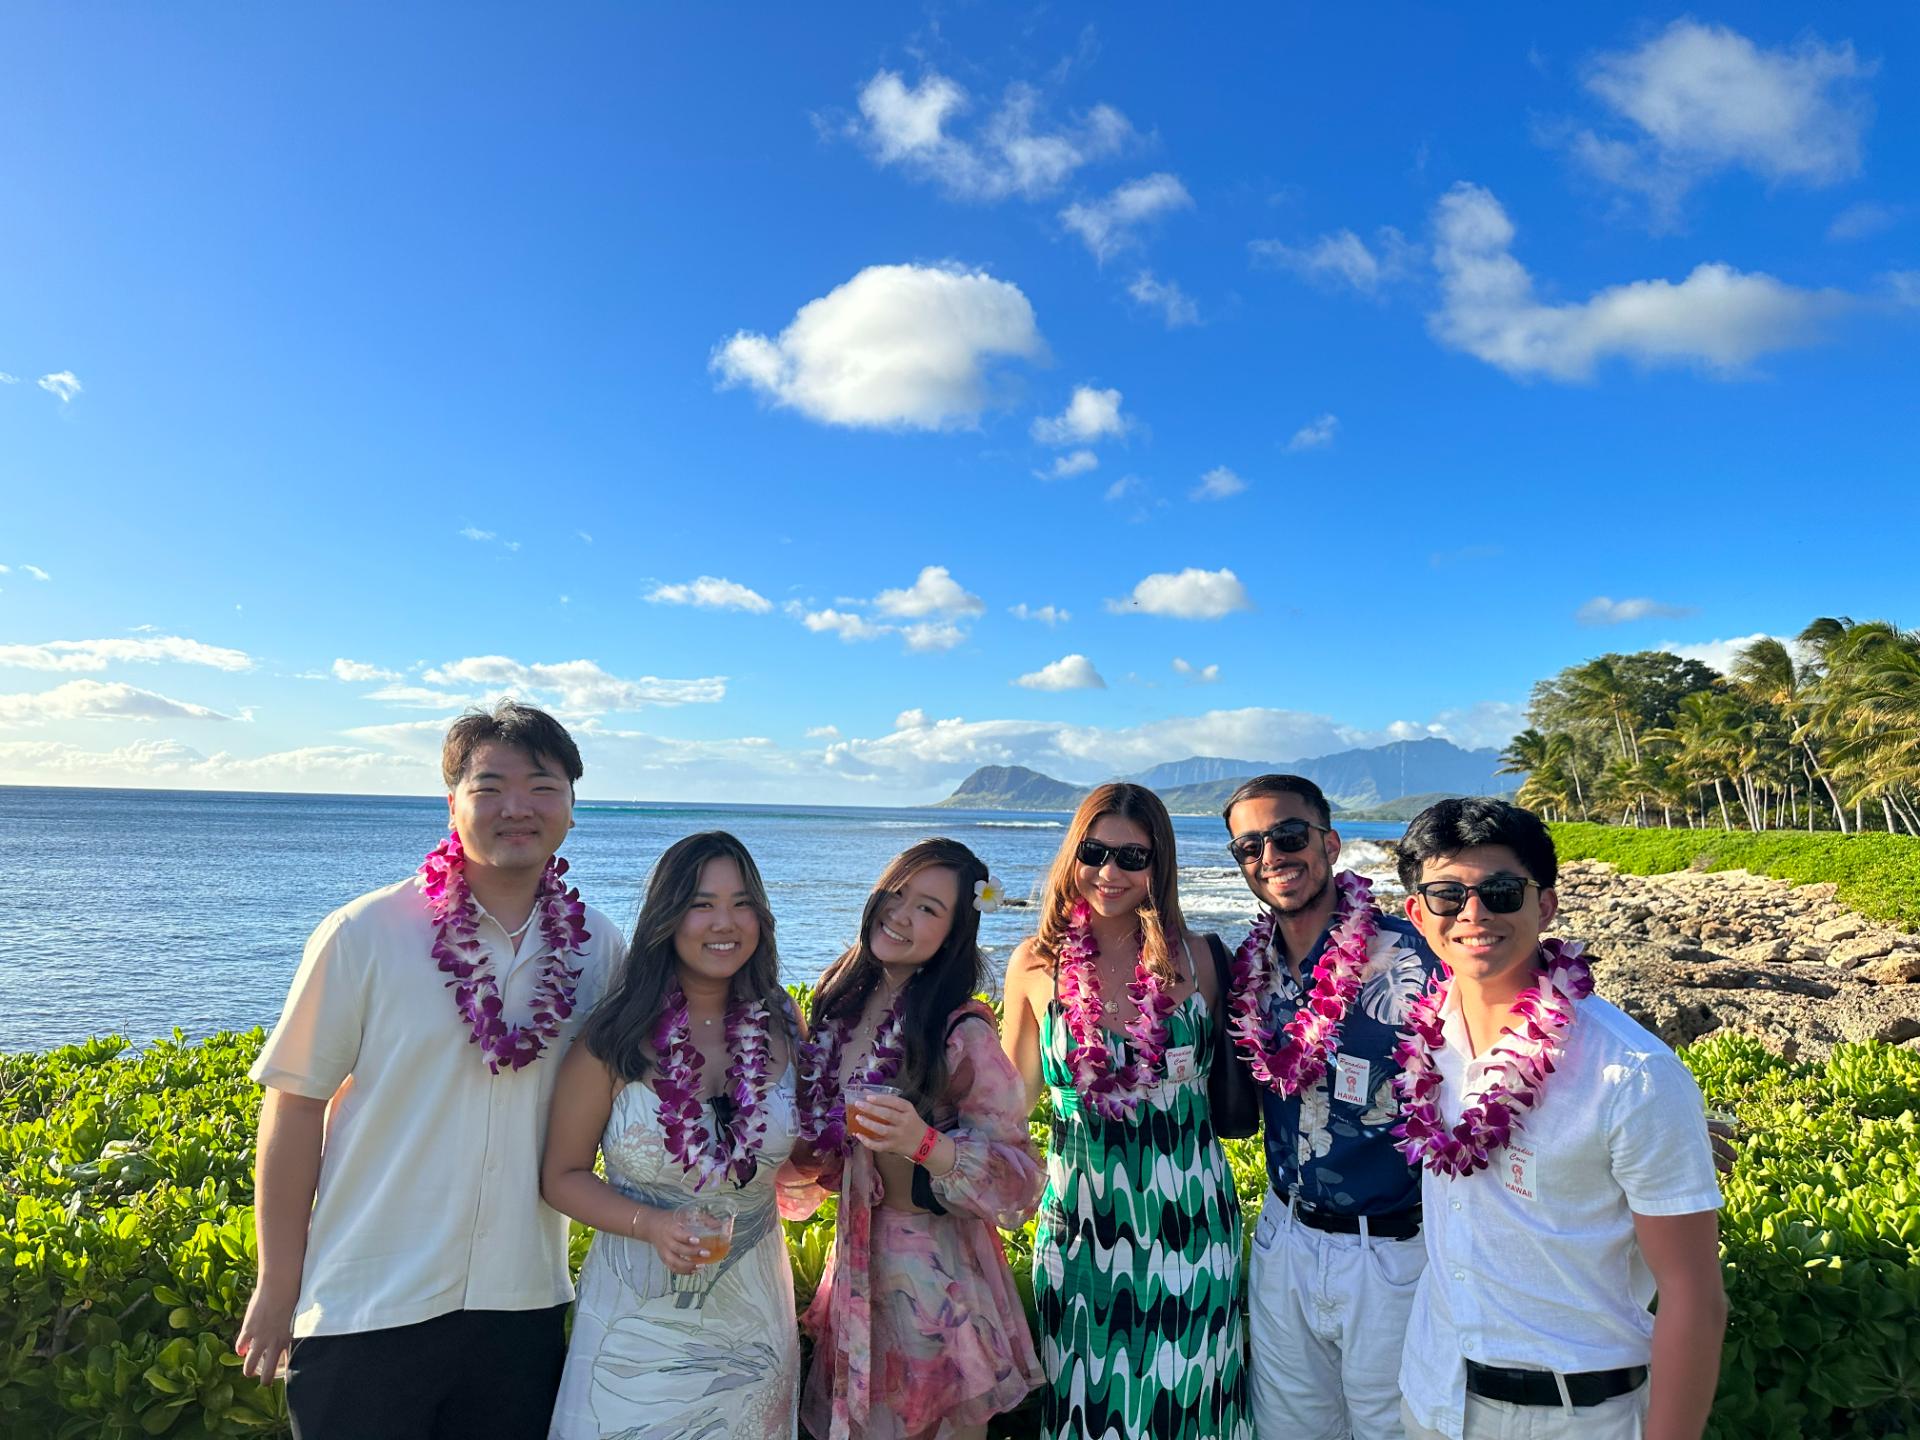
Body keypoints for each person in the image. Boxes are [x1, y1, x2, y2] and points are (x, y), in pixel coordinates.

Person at [236, 701, 625, 1440]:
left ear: (572, 808)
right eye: (490, 786)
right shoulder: (365, 933)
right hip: (366, 1302)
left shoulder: (599, 952)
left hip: (522, 1309)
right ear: (452, 806)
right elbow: (292, 1108)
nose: (517, 807)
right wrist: (277, 1280)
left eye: (543, 786)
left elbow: (640, 1099)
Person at [1392, 798, 1725, 1440]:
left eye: (1501, 891)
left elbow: (1693, 1295)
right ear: (1417, 914)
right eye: (1445, 896)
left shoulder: (1630, 1073)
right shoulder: (1425, 1046)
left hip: (1574, 1416)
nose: (1474, 913)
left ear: (1544, 905)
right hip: (1434, 1393)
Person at [1001, 783, 1251, 1440]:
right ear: (1072, 854)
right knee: (1085, 1406)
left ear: (1158, 867)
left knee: (1190, 1405)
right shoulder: (1035, 963)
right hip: (1080, 1229)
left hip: (1191, 1228)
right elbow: (1007, 1102)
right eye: (1095, 851)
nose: (1110, 873)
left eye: (1133, 857)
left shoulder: (1199, 958)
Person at [541, 830, 803, 1439]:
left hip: (755, 1315)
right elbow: (561, 1176)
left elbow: (795, 1149)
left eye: (742, 903)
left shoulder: (783, 1021)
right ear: (667, 915)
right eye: (701, 903)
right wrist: (652, 1224)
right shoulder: (615, 1036)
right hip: (635, 1325)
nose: (725, 922)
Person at [788, 838, 1043, 1440]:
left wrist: (923, 1141)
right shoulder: (838, 1003)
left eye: (929, 908)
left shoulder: (960, 1030)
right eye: (898, 893)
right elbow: (815, 1156)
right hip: (855, 1267)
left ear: (955, 933)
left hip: (933, 1286)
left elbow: (1021, 1179)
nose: (901, 915)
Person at [1219, 773, 1441, 1440]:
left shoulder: (1416, 955)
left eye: (1288, 836)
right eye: (1248, 847)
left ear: (1331, 844)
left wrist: (1634, 1108)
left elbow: (1525, 1010)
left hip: (1393, 1251)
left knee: (1394, 1430)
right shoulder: (1249, 968)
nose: (1271, 857)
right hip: (1283, 1238)